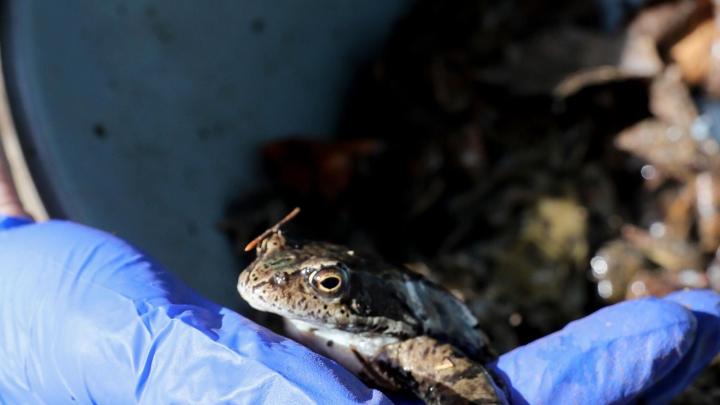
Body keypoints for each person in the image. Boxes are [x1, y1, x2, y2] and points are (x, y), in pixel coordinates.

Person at [0, 150, 718, 404]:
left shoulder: (406, 339)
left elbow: (457, 370)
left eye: (324, 284)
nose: (266, 276)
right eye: (270, 251)